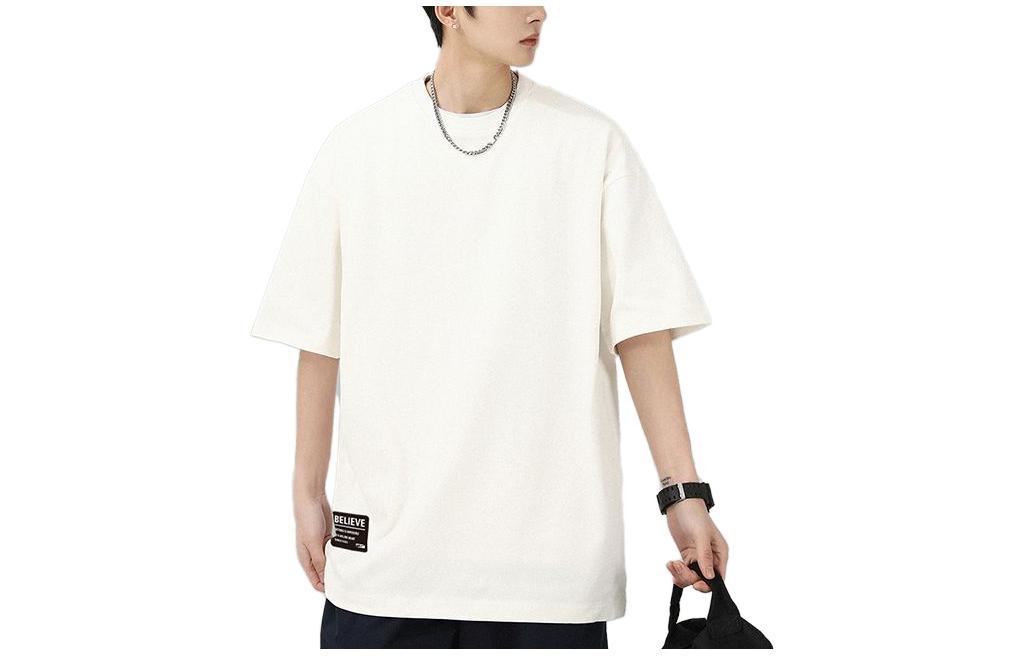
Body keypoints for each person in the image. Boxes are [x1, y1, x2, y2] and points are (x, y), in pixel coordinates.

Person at [250, 6, 728, 649]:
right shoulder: (356, 147)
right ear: (448, 8)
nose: (539, 10)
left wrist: (684, 494)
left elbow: (643, 331)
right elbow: (319, 336)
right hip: (388, 563)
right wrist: (306, 493)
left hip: (549, 574)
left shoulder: (590, 143)